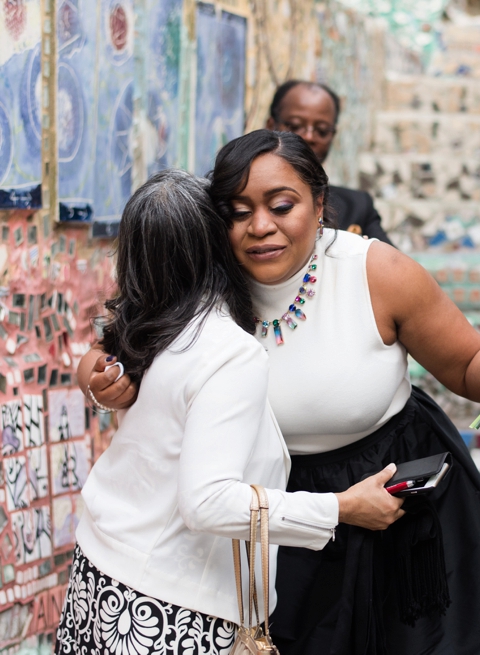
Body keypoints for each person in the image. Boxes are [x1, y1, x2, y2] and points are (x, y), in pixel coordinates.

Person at [80, 131, 480, 655]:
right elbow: (116, 344)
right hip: (277, 517)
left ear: (320, 203)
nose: (261, 227)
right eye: (238, 212)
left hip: (397, 507)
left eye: (282, 206)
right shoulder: (202, 279)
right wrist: (103, 380)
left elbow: (467, 363)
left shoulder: (377, 271)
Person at [61, 170, 402, 655]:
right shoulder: (226, 351)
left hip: (97, 577)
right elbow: (207, 503)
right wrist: (342, 508)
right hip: (168, 612)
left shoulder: (149, 326)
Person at [267, 80, 392, 244]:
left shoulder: (357, 206)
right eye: (296, 126)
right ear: (271, 126)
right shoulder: (239, 198)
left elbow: (398, 266)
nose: (309, 137)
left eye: (322, 130)